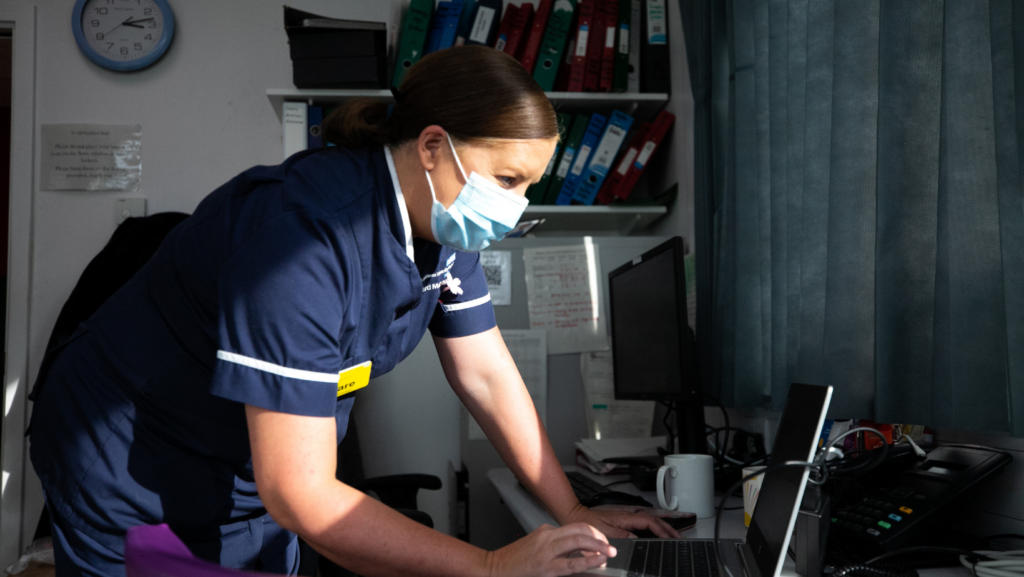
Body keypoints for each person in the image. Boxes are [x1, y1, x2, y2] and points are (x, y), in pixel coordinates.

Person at [29, 46, 679, 577]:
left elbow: (486, 375)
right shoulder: (299, 240)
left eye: (528, 185)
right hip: (131, 455)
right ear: (431, 148)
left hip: (248, 462)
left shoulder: (444, 232)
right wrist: (488, 564)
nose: (513, 205)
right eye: (507, 180)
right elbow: (301, 491)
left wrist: (569, 508)